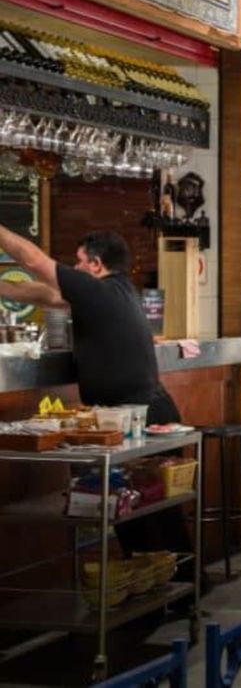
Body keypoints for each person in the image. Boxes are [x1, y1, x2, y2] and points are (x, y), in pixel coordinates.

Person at [0, 229, 195, 578]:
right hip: (141, 413)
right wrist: (5, 289)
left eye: (79, 261)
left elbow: (32, 261)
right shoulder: (115, 291)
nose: (75, 266)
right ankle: (164, 594)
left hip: (142, 416)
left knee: (152, 518)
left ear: (96, 264)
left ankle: (178, 595)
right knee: (138, 517)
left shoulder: (99, 290)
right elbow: (49, 295)